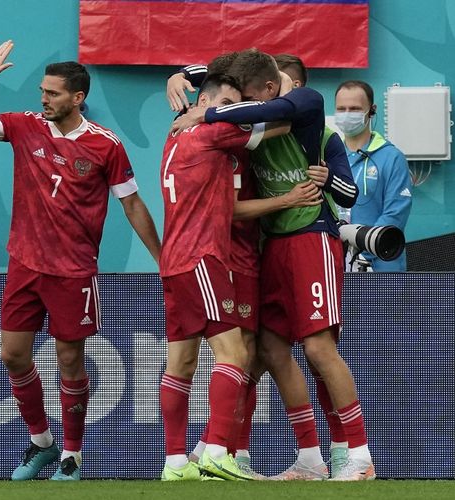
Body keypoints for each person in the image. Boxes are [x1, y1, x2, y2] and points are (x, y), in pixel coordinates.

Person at [0, 41, 160, 481]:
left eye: (53, 93)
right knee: (12, 356)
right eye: (42, 91)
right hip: (24, 263)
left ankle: (73, 456)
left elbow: (133, 205)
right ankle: (42, 441)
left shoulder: (106, 146)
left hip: (74, 271)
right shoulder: (25, 126)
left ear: (77, 98)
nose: (42, 98)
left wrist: (163, 259)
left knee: (69, 362)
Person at [172, 49, 374, 481]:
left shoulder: (307, 104)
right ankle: (304, 458)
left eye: (246, 98)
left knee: (319, 349)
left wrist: (203, 116)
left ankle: (357, 455)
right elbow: (212, 80)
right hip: (270, 246)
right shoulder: (250, 125)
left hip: (311, 238)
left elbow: (346, 191)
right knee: (269, 351)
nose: (238, 108)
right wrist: (177, 77)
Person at [158, 72, 296, 482]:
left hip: (174, 260)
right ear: (208, 103)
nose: (236, 111)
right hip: (204, 256)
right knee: (235, 355)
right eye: (230, 103)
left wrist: (183, 73)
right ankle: (218, 450)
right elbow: (284, 120)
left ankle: (176, 464)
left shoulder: (175, 133)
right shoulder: (213, 132)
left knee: (180, 364)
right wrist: (282, 80)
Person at [335, 80, 413, 271]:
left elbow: (395, 214)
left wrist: (362, 250)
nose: (347, 114)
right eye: (341, 108)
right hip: (336, 263)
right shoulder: (329, 156)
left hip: (380, 264)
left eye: (354, 109)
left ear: (372, 110)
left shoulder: (392, 157)